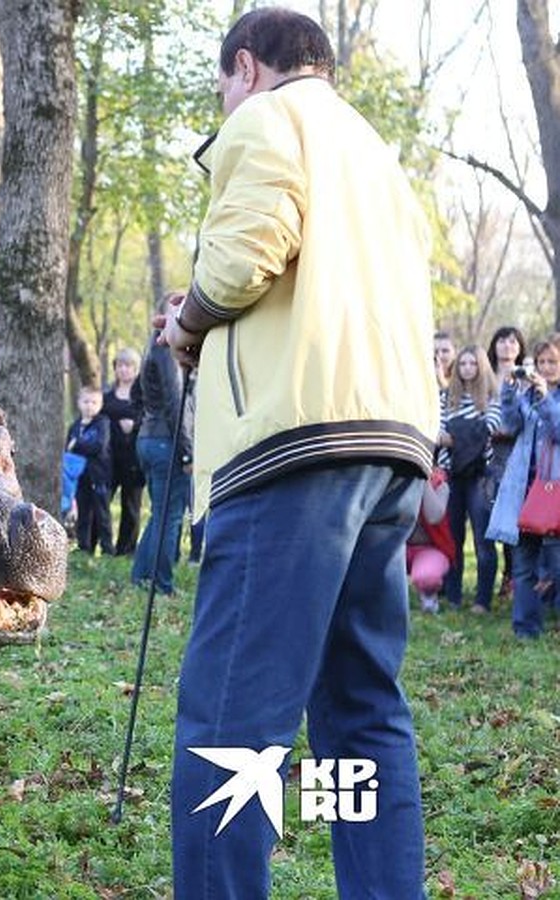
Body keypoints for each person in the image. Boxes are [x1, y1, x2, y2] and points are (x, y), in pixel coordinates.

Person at [158, 10, 437, 897]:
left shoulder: (270, 119)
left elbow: (245, 257)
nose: (224, 101)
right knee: (358, 715)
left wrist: (188, 318)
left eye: (221, 85)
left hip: (290, 448)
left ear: (246, 67)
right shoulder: (376, 155)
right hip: (389, 446)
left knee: (233, 718)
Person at [486, 338, 560, 639]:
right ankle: (525, 628)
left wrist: (544, 399)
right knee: (523, 565)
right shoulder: (529, 393)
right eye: (541, 362)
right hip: (525, 489)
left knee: (556, 564)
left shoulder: (544, 396)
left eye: (552, 362)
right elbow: (512, 424)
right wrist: (508, 392)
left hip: (554, 490)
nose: (546, 368)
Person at [437, 345, 500, 613]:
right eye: (462, 364)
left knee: (483, 540)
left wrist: (456, 435)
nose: (467, 368)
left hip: (479, 475)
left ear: (481, 366)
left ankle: (482, 599)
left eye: (472, 364)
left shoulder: (491, 396)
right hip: (451, 475)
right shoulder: (445, 397)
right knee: (453, 537)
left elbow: (489, 429)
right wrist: (467, 433)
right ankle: (453, 595)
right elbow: (439, 434)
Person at [129, 335, 190, 593]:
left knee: (160, 514)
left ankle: (141, 576)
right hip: (165, 441)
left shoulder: (150, 351)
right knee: (169, 516)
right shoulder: (165, 351)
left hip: (149, 439)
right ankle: (161, 584)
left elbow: (136, 396)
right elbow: (174, 403)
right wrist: (187, 451)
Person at [486, 324, 526, 598]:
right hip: (487, 459)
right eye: (502, 340)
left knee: (516, 520)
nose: (507, 345)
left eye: (513, 341)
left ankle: (513, 576)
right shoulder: (485, 376)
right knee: (489, 520)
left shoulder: (526, 378)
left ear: (520, 347)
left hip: (517, 456)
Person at [102, 347, 144, 556]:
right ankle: (102, 546)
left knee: (131, 505)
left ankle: (126, 550)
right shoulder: (106, 396)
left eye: (128, 366)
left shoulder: (142, 397)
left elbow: (149, 420)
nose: (124, 370)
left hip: (134, 458)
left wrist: (134, 425)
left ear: (136, 369)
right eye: (120, 365)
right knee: (102, 500)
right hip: (108, 458)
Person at [65, 386, 114, 556]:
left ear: (100, 405)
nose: (89, 406)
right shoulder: (75, 426)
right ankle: (84, 546)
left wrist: (77, 445)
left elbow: (99, 446)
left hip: (99, 475)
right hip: (80, 477)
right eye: (86, 401)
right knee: (83, 513)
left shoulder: (103, 423)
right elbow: (67, 450)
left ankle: (107, 548)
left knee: (102, 513)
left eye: (94, 402)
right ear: (79, 403)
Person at [408, 467, 456, 613]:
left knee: (427, 577)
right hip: (396, 547)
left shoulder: (440, 484)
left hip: (429, 549)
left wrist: (423, 481)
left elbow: (433, 516)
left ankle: (429, 597)